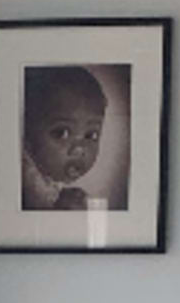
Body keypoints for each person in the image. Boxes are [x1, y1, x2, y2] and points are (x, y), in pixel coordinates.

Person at [20, 64, 118, 209]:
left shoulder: (46, 184)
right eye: (62, 133)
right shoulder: (26, 185)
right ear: (27, 136)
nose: (79, 149)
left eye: (91, 135)